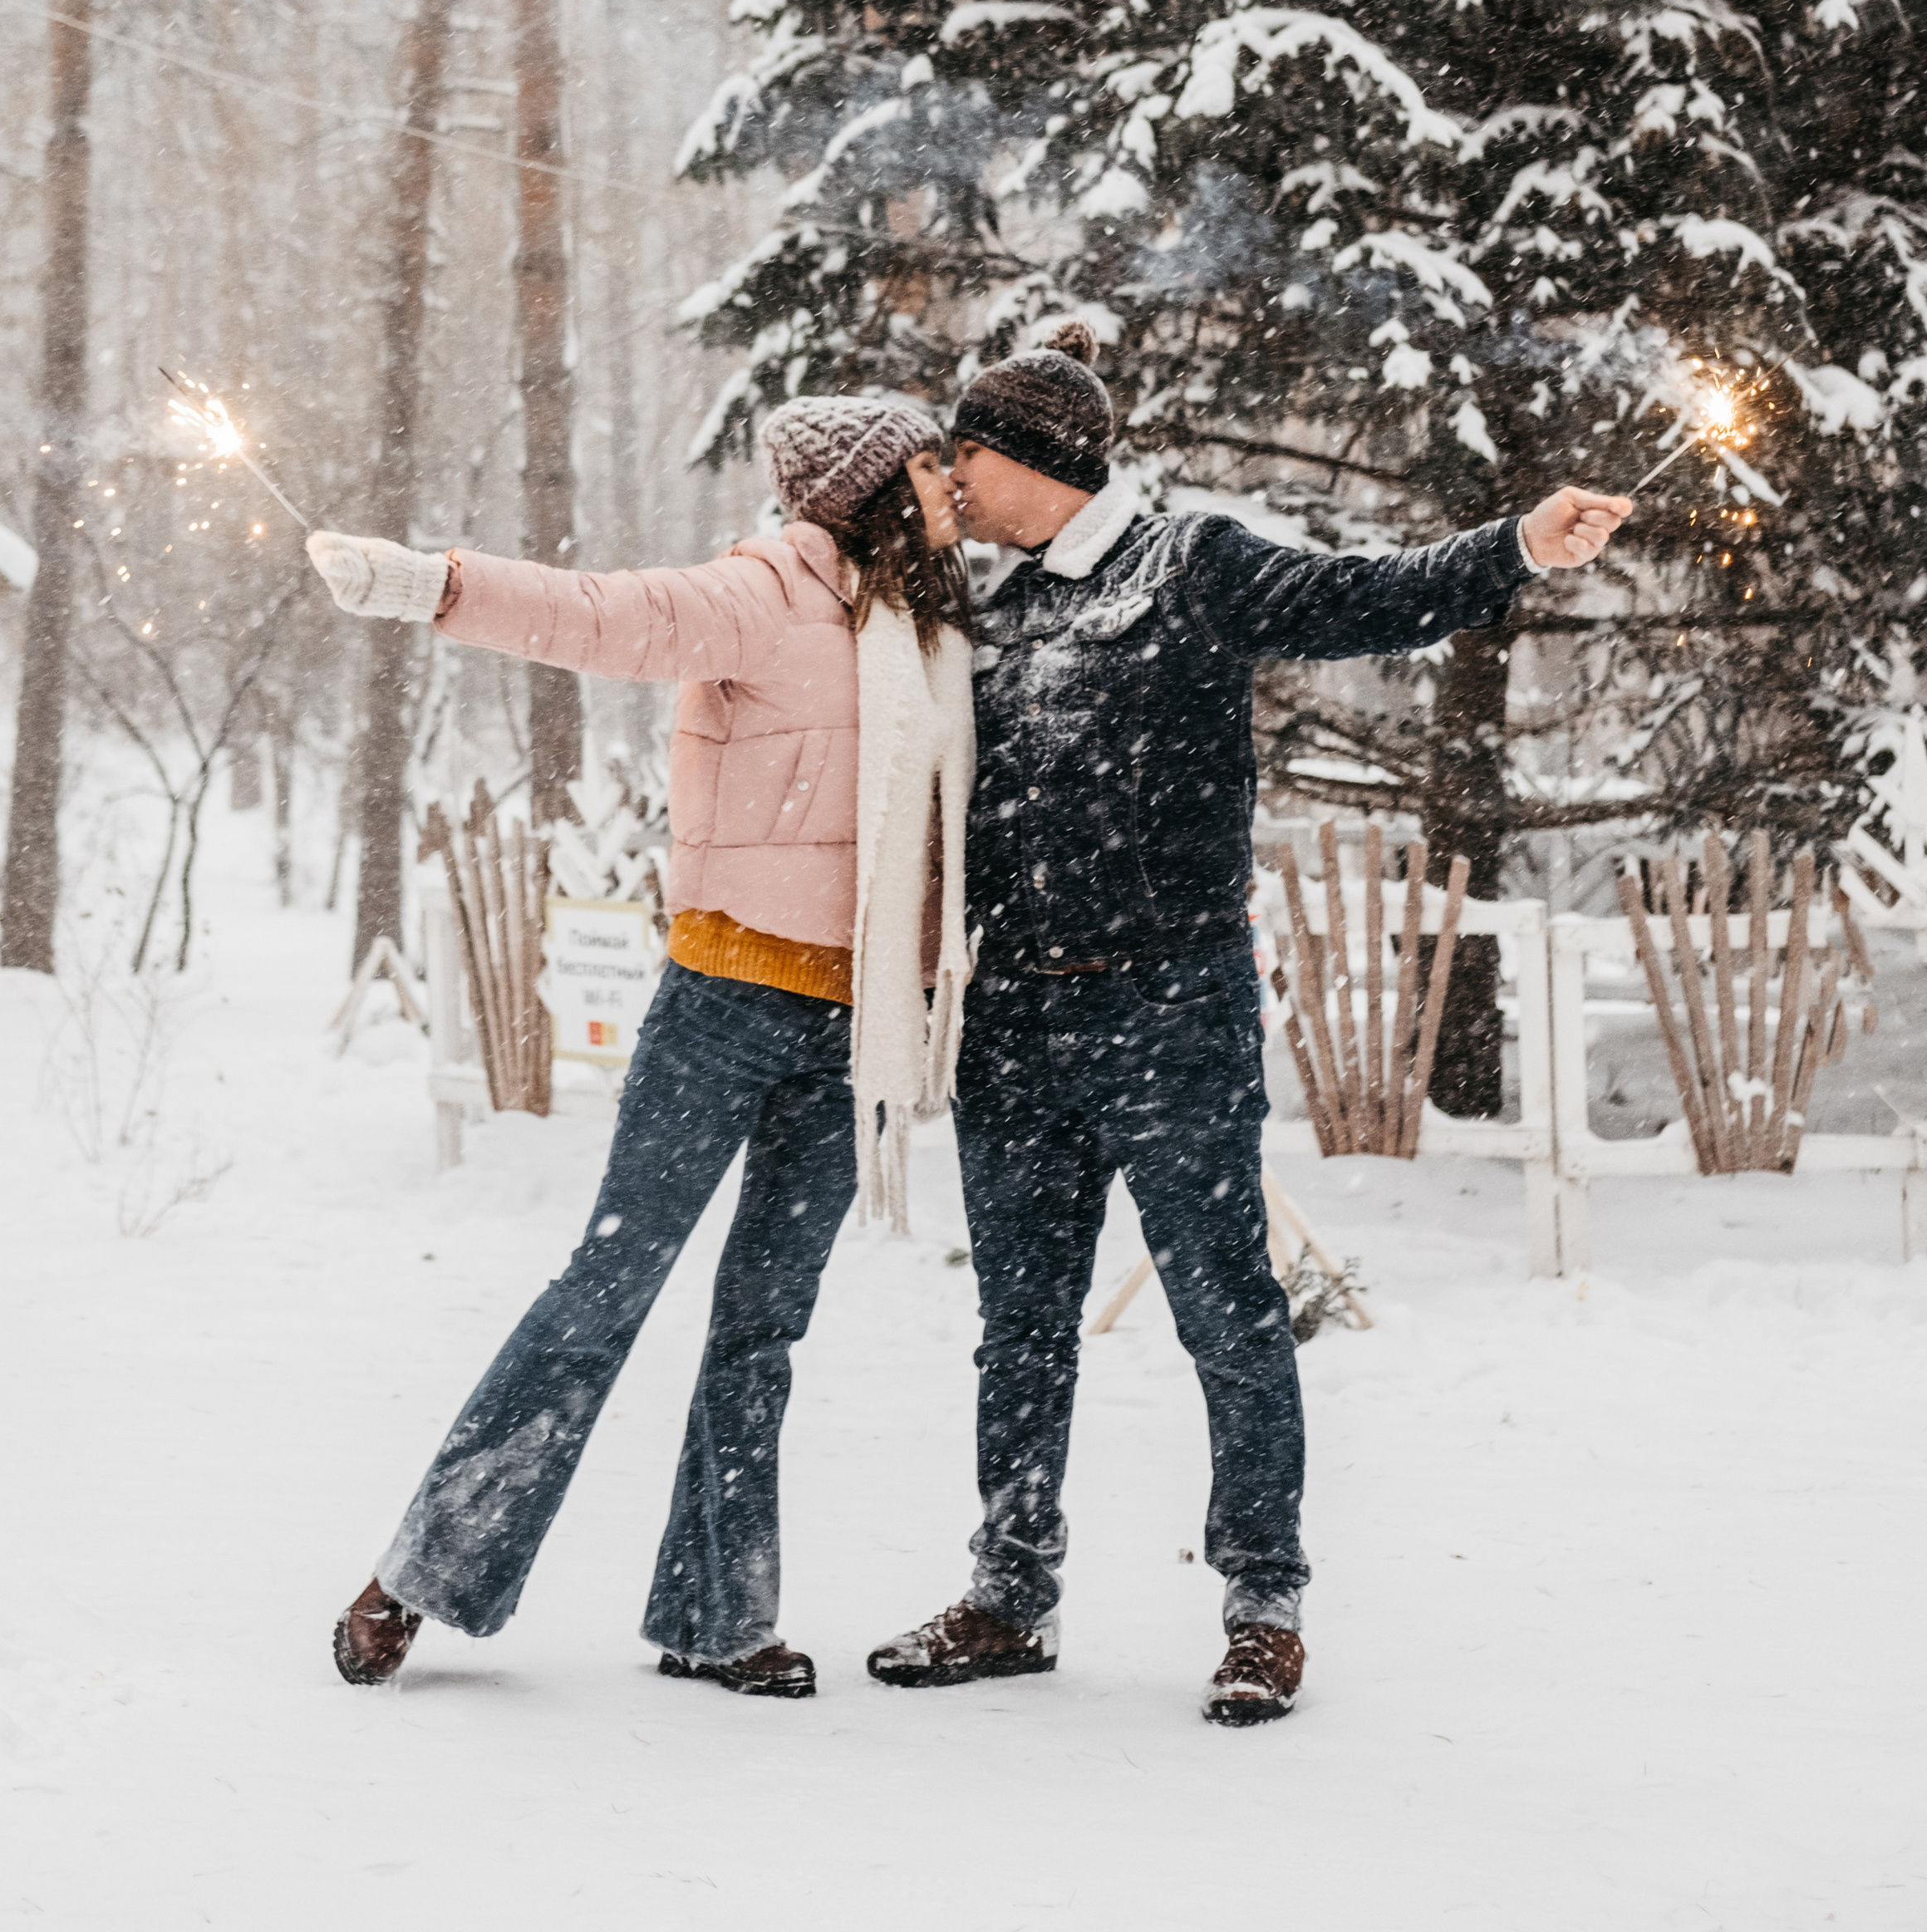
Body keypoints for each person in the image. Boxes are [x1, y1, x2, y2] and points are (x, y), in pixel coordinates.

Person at [862, 322, 1630, 1727]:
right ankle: (1009, 1592)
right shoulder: (990, 607)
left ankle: (1262, 1604)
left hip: (1171, 1003)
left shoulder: (1194, 567)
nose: (949, 477)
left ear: (1024, 457)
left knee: (1227, 1313)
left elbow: (1367, 597)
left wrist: (1516, 546)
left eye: (963, 450)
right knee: (1018, 1326)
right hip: (1019, 1012)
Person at [306, 394, 975, 1701]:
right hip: (723, 1001)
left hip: (856, 1025)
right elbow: (599, 615)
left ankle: (718, 1617)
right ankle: (422, 1571)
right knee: (604, 1292)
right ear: (868, 485)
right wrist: (428, 583)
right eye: (931, 463)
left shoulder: (926, 628)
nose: (951, 482)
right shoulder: (763, 591)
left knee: (764, 1324)